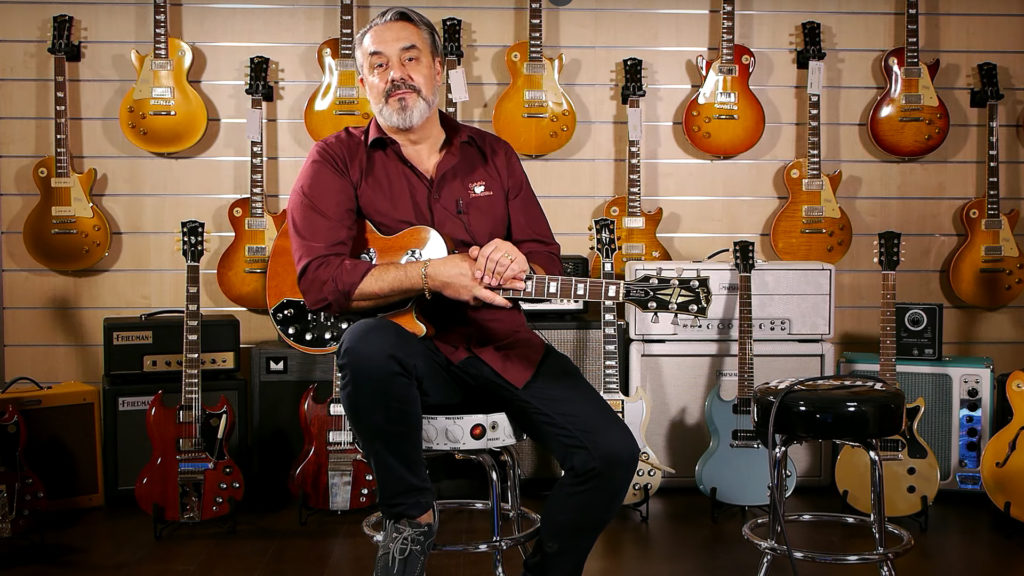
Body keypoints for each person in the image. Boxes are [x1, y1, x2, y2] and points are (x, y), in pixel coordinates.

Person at [287, 7, 640, 576]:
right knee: (364, 345)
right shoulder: (334, 159)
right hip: (406, 360)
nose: (395, 75)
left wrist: (521, 260)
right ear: (364, 81)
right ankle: (411, 517)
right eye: (378, 65)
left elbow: (544, 258)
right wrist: (431, 274)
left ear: (438, 68)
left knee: (613, 454)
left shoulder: (493, 154)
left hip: (500, 345)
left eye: (409, 58)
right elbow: (320, 282)